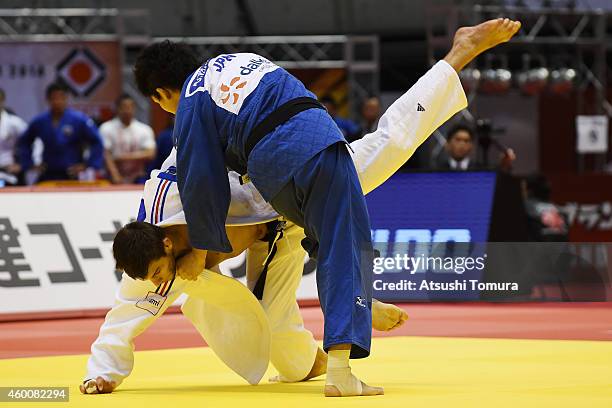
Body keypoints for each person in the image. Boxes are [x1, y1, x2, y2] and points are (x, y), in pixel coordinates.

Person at [132, 18, 521, 397]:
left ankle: (348, 333)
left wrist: (200, 248)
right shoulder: (236, 62)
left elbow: (202, 180)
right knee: (385, 155)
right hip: (313, 145)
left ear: (159, 94)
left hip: (283, 170)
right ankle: (342, 364)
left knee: (339, 225)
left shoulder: (192, 103)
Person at [17, 82, 104, 182]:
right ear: (48, 100)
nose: (57, 101)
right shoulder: (40, 121)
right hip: (48, 172)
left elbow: (97, 141)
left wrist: (88, 164)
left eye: (61, 98)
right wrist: (29, 163)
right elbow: (24, 141)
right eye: (54, 98)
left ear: (66, 98)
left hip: (72, 172)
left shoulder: (79, 119)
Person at [100, 94, 156, 184]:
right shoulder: (106, 128)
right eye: (124, 107)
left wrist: (123, 157)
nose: (127, 110)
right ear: (117, 108)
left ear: (134, 108)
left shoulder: (144, 129)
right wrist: (115, 175)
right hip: (112, 176)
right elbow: (106, 154)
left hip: (138, 176)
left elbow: (150, 153)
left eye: (130, 107)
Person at [433, 123, 516, 171]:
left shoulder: (479, 170)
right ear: (447, 144)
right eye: (458, 140)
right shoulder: (437, 171)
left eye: (466, 141)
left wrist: (505, 165)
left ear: (471, 146)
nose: (462, 145)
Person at [0, 88, 27, 185]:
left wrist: (23, 164)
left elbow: (33, 141)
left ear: (2, 101)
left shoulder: (14, 122)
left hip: (8, 171)